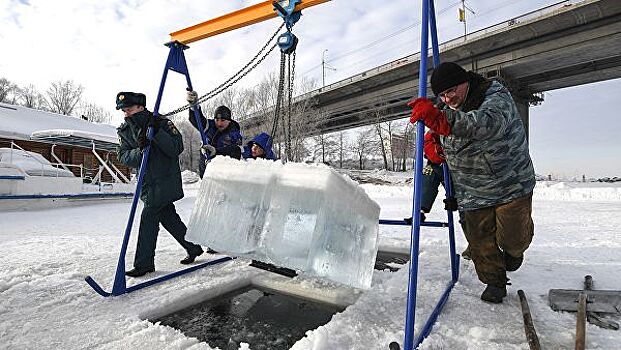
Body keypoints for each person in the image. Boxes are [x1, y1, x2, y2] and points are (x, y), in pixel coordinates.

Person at [409, 62, 535, 303]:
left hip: (511, 185)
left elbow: (486, 124)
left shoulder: (496, 96)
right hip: (472, 191)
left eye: (451, 91)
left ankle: (514, 252)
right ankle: (494, 283)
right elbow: (439, 136)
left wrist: (441, 121)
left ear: (465, 81)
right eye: (442, 95)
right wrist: (434, 146)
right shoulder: (446, 108)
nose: (448, 99)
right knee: (480, 243)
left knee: (513, 240)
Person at [116, 92, 204, 277]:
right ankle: (193, 247)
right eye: (123, 110)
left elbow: (176, 148)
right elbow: (122, 156)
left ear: (140, 107)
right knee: (168, 217)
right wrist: (140, 151)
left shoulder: (161, 123)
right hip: (148, 184)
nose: (126, 114)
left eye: (129, 109)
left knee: (148, 218)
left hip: (165, 181)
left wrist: (156, 134)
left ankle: (144, 263)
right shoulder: (124, 130)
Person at [186, 91, 243, 176]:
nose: (219, 123)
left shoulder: (235, 134)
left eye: (223, 120)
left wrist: (216, 152)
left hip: (224, 175)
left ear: (229, 121)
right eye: (217, 120)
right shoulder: (209, 126)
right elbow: (197, 120)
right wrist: (194, 106)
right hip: (206, 172)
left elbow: (235, 151)